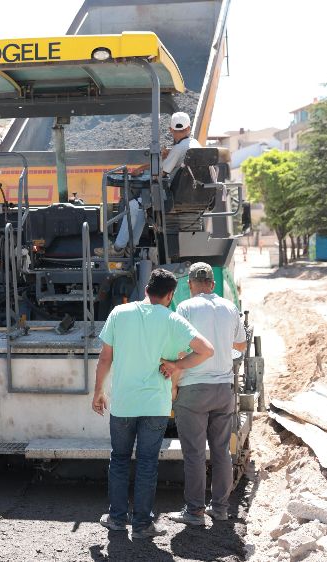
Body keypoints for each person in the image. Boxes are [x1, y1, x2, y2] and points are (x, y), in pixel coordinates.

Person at [91, 269, 215, 539]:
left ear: (146, 289)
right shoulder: (173, 320)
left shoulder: (119, 313)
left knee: (120, 460)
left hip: (123, 403)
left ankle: (115, 518)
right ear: (170, 295)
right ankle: (142, 525)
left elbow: (104, 360)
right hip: (155, 406)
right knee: (147, 463)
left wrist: (98, 392)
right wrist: (176, 365)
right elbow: (207, 350)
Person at [163, 262, 247, 527]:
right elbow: (241, 344)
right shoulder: (229, 307)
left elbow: (178, 351)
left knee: (195, 453)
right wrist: (222, 341)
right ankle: (220, 508)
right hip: (223, 390)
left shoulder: (186, 308)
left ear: (189, 285)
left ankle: (195, 511)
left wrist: (174, 386)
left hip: (193, 391)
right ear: (212, 284)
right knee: (221, 451)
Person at [98, 112, 202, 258]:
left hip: (171, 197)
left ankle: (117, 248)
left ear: (171, 130)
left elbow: (160, 173)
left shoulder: (179, 148)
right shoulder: (196, 145)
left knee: (133, 206)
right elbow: (176, 158)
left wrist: (142, 168)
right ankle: (130, 248)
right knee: (141, 209)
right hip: (191, 196)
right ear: (189, 128)